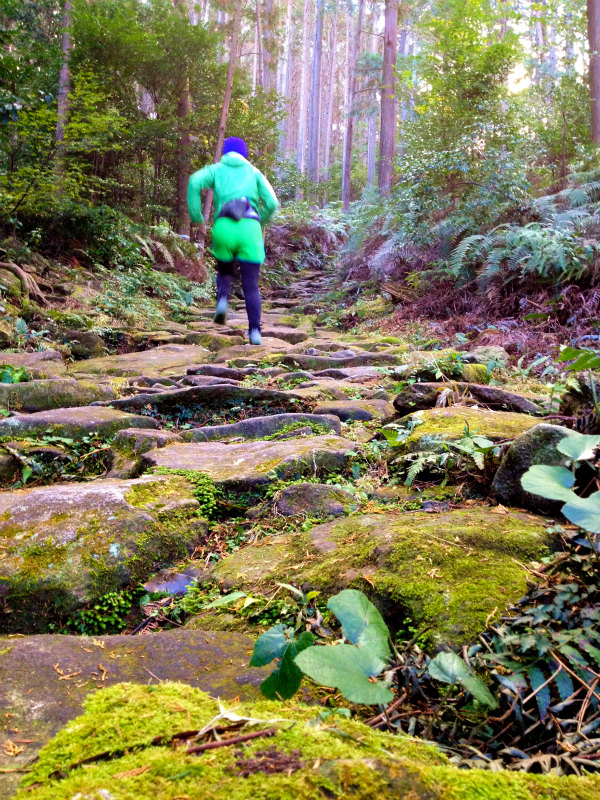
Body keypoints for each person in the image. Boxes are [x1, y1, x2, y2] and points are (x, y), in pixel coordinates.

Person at [187, 137, 279, 345]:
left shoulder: (216, 169)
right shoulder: (254, 172)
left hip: (224, 227)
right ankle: (254, 332)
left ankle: (221, 301)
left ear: (225, 154)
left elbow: (193, 181)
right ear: (244, 154)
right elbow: (272, 203)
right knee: (251, 285)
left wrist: (197, 218)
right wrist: (260, 221)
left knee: (224, 269)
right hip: (250, 228)